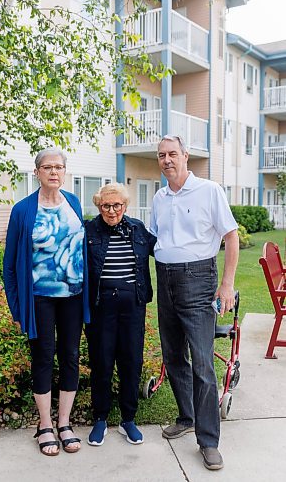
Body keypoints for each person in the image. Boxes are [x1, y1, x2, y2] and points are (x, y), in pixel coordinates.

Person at [150, 135, 239, 471]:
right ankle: (186, 416)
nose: (167, 160)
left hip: (199, 280)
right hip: (166, 280)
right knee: (174, 356)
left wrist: (226, 284)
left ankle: (209, 441)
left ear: (186, 156)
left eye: (173, 153)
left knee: (202, 362)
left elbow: (231, 237)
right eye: (161, 155)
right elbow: (155, 238)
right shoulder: (159, 198)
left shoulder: (209, 191)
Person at [3, 147, 90, 456]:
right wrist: (16, 308)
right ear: (37, 172)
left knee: (70, 356)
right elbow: (10, 266)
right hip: (39, 299)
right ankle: (44, 425)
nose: (54, 172)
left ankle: (64, 423)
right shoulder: (23, 210)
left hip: (73, 297)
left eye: (59, 167)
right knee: (42, 357)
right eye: (48, 167)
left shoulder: (75, 204)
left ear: (64, 172)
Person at [85, 183, 156, 446]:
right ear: (99, 206)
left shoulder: (137, 228)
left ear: (125, 206)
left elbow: (163, 250)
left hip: (133, 307)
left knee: (131, 362)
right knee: (101, 362)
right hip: (101, 306)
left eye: (117, 205)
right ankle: (100, 419)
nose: (112, 211)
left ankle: (128, 420)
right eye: (106, 206)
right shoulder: (89, 230)